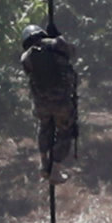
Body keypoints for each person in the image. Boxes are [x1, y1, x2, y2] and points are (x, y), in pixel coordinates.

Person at [18, 26, 81, 180]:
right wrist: (59, 36)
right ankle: (56, 171)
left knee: (44, 128)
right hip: (62, 101)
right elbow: (72, 52)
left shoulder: (26, 57)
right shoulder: (57, 43)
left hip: (41, 104)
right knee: (65, 133)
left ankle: (44, 164)